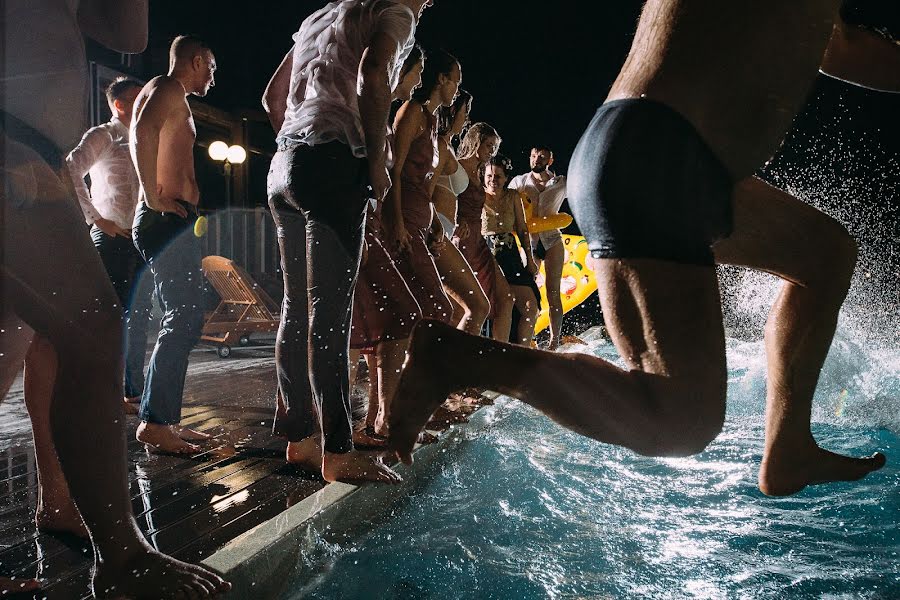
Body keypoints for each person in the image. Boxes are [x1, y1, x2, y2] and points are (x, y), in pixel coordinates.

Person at [388, 0, 886, 497]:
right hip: (661, 158)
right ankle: (457, 358)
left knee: (825, 253)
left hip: (661, 154)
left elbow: (841, 43)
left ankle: (789, 445)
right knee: (682, 421)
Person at [0, 1, 230, 596]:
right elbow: (99, 156)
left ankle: (58, 502)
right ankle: (122, 553)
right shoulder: (134, 114)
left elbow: (126, 29)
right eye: (209, 65)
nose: (212, 77)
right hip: (16, 151)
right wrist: (111, 215)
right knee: (97, 331)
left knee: (34, 350)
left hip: (28, 152)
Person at [261, 0, 433, 484]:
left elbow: (272, 98)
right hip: (333, 163)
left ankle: (300, 439)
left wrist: (297, 146)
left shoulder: (318, 16)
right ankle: (337, 451)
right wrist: (375, 159)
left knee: (296, 308)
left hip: (283, 165)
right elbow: (374, 73)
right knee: (330, 316)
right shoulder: (396, 13)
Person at [130, 35, 218, 455]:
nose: (214, 78)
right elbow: (142, 129)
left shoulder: (171, 94)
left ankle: (163, 418)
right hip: (162, 217)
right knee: (183, 315)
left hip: (174, 218)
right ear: (196, 61)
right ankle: (156, 422)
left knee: (184, 314)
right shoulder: (166, 87)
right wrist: (150, 194)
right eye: (212, 68)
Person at [349, 46, 426, 446]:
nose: (417, 83)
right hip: (362, 228)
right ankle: (357, 424)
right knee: (391, 316)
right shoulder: (369, 110)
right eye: (415, 74)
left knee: (379, 323)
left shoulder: (383, 117)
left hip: (372, 227)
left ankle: (380, 418)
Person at [67, 76, 153, 414]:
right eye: (137, 97)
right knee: (111, 316)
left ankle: (131, 392)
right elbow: (71, 169)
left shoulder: (145, 137)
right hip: (111, 234)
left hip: (139, 237)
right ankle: (104, 392)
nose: (145, 101)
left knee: (140, 316)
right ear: (119, 104)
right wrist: (96, 219)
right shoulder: (103, 135)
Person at [380, 49, 457, 327]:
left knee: (424, 309)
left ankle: (412, 368)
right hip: (406, 220)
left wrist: (436, 223)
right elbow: (395, 170)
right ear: (441, 79)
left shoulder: (433, 121)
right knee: (438, 307)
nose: (457, 90)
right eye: (455, 82)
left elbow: (427, 183)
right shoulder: (412, 111)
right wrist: (397, 222)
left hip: (422, 219)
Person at [426, 84, 490, 336]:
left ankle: (442, 367)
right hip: (436, 230)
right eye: (465, 111)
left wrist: (459, 220)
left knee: (452, 310)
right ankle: (455, 369)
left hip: (446, 228)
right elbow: (425, 192)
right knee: (477, 306)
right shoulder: (440, 146)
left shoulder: (447, 146)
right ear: (452, 111)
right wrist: (435, 226)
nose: (467, 118)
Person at [451, 123, 516, 341]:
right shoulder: (457, 167)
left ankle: (498, 355)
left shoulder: (481, 173)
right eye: (488, 145)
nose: (491, 152)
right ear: (476, 141)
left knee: (505, 298)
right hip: (461, 242)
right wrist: (456, 219)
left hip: (479, 243)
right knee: (459, 309)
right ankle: (451, 355)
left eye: (494, 147)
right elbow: (440, 197)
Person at [509, 146, 568, 350]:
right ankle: (528, 337)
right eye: (534, 155)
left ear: (550, 160)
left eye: (542, 156)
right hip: (529, 242)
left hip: (552, 241)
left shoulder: (560, 183)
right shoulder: (520, 182)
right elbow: (502, 201)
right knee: (530, 292)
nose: (537, 159)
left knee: (553, 292)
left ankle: (555, 341)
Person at [481, 154, 540, 345]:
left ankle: (520, 352)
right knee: (498, 307)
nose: (493, 180)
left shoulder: (513, 196)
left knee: (531, 307)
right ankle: (499, 352)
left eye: (498, 176)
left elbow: (522, 230)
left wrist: (530, 261)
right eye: (489, 175)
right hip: (486, 255)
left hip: (510, 254)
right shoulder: (477, 195)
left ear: (506, 178)